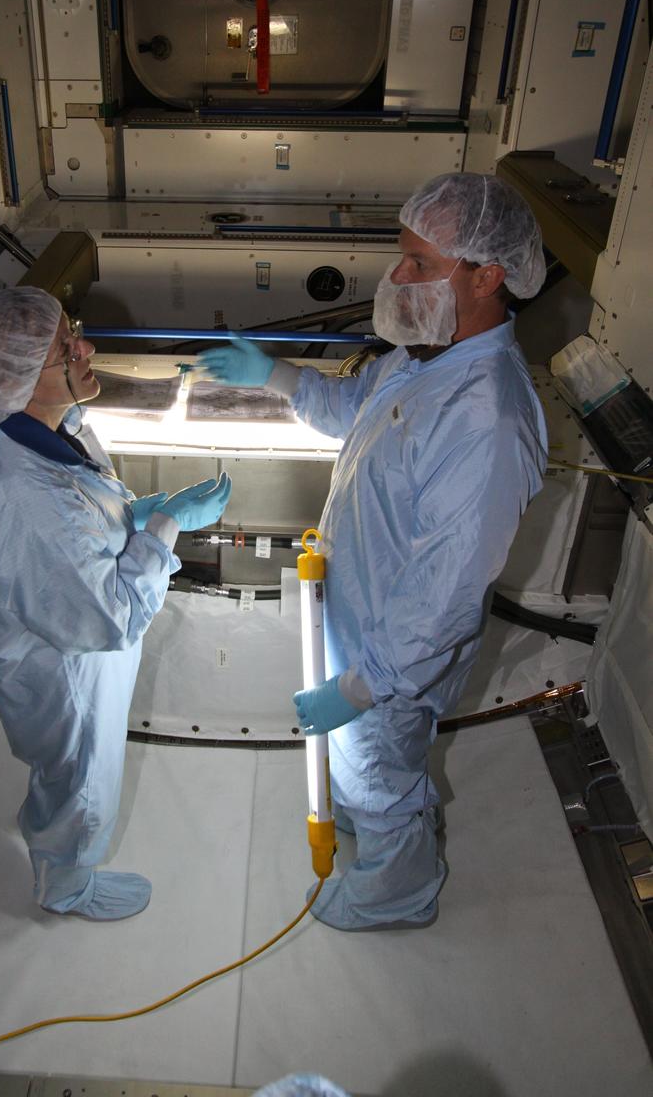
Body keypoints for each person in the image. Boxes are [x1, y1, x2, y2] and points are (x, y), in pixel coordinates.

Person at [198, 173, 548, 932]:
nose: (396, 277)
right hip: (359, 609)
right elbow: (356, 415)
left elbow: (446, 591)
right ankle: (369, 814)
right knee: (364, 764)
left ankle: (397, 892)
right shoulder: (424, 357)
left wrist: (365, 685)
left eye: (419, 264)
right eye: (402, 256)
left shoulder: (485, 418)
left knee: (376, 762)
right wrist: (278, 376)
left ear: (486, 277)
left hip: (397, 649)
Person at [0, 288, 231, 920]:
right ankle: (64, 884)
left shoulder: (41, 431)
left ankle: (53, 835)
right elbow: (111, 619)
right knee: (79, 773)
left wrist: (135, 513)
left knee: (66, 769)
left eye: (73, 331)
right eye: (64, 349)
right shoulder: (25, 494)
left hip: (60, 635)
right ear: (19, 378)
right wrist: (165, 526)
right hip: (64, 670)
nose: (87, 349)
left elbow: (83, 517)